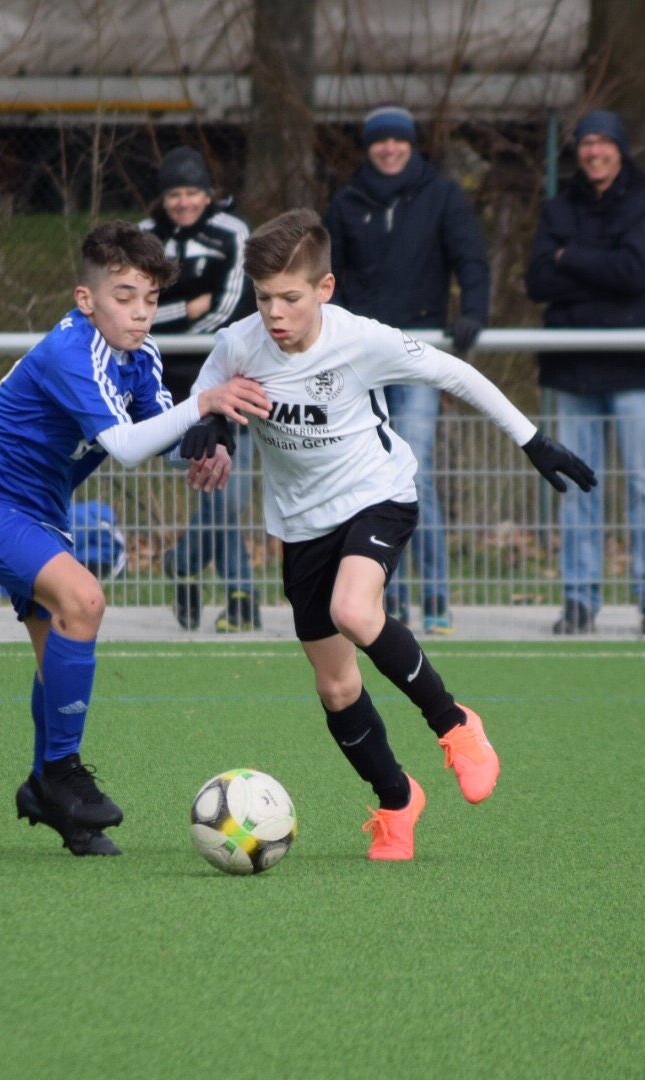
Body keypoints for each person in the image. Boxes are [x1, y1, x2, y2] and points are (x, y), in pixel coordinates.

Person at [183, 210, 593, 860]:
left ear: (325, 288)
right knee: (336, 688)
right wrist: (213, 431)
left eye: (290, 297)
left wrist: (532, 440)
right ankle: (398, 801)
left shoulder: (362, 339)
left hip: (377, 495)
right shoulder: (239, 342)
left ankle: (455, 725)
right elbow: (205, 394)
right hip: (300, 524)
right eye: (263, 298)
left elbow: (454, 373)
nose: (275, 313)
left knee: (354, 610)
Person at [0, 221, 271, 857]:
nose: (140, 313)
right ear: (86, 300)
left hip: (39, 516)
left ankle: (46, 791)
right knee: (85, 600)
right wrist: (203, 404)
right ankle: (62, 774)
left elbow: (158, 432)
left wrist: (204, 444)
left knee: (57, 654)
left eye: (150, 299)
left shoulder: (140, 356)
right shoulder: (72, 350)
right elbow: (125, 446)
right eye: (124, 296)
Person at [324, 104, 491, 635]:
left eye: (399, 140)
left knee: (413, 473)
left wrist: (473, 313)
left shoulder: (442, 196)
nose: (390, 148)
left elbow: (470, 259)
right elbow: (325, 275)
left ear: (412, 144)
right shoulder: (347, 202)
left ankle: (436, 596)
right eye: (380, 141)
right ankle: (380, 598)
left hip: (417, 355)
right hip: (361, 361)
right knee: (369, 478)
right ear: (368, 146)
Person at [525, 109, 645, 635]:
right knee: (576, 489)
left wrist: (568, 258)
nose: (594, 151)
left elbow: (634, 273)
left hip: (634, 369)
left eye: (603, 141)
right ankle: (578, 601)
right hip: (574, 370)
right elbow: (537, 281)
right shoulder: (559, 207)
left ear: (619, 147)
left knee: (643, 486)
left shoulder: (641, 201)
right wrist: (604, 270)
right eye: (587, 142)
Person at [141, 146, 262, 633]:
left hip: (228, 379)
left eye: (193, 192)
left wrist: (179, 320)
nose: (184, 202)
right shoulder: (145, 237)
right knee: (215, 488)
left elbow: (231, 310)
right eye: (175, 194)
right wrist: (187, 311)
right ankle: (241, 598)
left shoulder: (233, 232)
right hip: (168, 388)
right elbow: (136, 313)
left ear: (208, 194)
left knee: (228, 494)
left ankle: (184, 564)